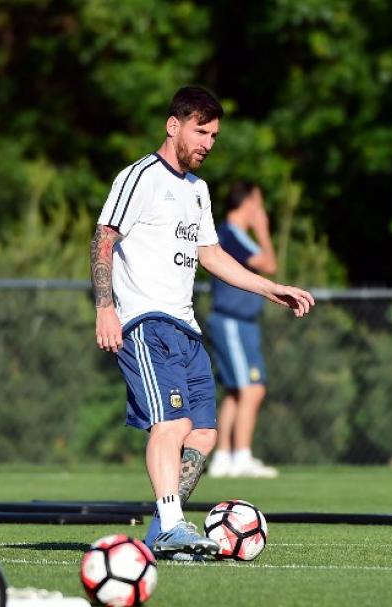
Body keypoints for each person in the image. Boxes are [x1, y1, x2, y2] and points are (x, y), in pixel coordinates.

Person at [91, 86, 314, 560]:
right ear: (174, 126)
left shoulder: (198, 191)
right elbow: (104, 237)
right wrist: (104, 307)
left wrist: (270, 288)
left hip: (186, 329)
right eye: (201, 131)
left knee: (205, 434)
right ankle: (173, 523)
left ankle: (159, 533)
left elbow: (211, 255)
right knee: (171, 423)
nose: (209, 142)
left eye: (214, 134)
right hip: (146, 323)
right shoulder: (140, 177)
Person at [205, 182, 279, 478]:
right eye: (257, 204)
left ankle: (224, 456)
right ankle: (241, 456)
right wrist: (262, 229)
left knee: (237, 392)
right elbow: (269, 264)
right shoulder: (232, 235)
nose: (260, 211)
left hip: (241, 323)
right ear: (247, 204)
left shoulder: (231, 236)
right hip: (233, 321)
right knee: (252, 388)